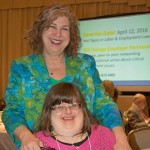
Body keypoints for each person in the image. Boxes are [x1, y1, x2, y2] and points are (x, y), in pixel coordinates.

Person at [2, 3, 131, 150]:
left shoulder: (85, 64)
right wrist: (26, 136)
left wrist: (120, 138)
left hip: (86, 145)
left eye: (64, 29)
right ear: (40, 31)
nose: (58, 34)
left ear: (72, 35)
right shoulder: (22, 67)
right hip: (37, 146)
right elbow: (12, 111)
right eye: (51, 26)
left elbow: (104, 104)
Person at [35, 82, 116, 149]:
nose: (68, 111)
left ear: (83, 109)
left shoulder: (104, 136)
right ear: (48, 113)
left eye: (74, 106)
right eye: (60, 107)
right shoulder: (36, 142)